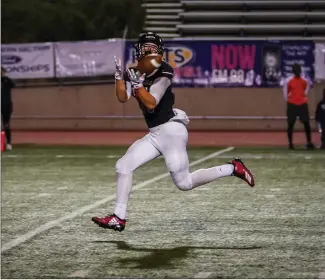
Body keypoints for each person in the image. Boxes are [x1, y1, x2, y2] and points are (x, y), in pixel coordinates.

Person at [92, 32, 255, 232]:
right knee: (123, 165)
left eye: (152, 48)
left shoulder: (164, 71)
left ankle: (232, 168)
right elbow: (122, 97)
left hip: (171, 131)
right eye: (145, 47)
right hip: (154, 134)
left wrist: (137, 84)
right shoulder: (133, 71)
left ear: (159, 52)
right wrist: (119, 76)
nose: (148, 51)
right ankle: (119, 217)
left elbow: (151, 101)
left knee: (185, 183)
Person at [283, 64, 315, 150]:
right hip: (292, 104)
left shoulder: (305, 80)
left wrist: (303, 96)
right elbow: (285, 92)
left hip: (302, 104)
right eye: (296, 71)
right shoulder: (288, 80)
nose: (298, 73)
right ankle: (290, 144)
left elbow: (307, 88)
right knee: (291, 124)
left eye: (299, 71)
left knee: (306, 123)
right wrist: (290, 100)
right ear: (293, 72)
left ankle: (309, 142)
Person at [1, 67, 15, 150]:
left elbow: (14, 85)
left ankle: (8, 143)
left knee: (6, 124)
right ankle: (1, 143)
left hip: (6, 105)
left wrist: (6, 77)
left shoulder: (7, 81)